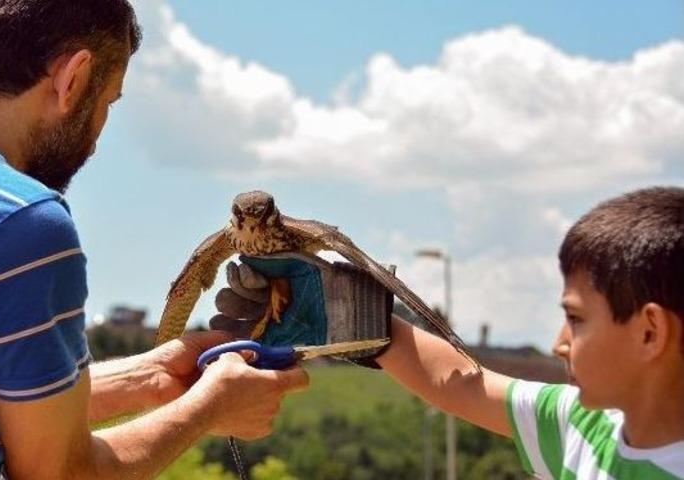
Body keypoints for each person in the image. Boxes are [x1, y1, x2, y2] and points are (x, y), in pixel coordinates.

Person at [0, 1, 308, 479]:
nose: (97, 137)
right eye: (109, 102)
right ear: (72, 78)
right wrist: (206, 411)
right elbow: (58, 472)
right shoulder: (15, 222)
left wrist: (148, 379)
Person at [215, 186, 684, 479]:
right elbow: (461, 382)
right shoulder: (578, 426)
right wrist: (351, 321)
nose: (559, 342)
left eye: (576, 319)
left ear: (649, 332)